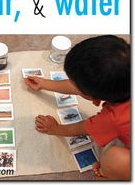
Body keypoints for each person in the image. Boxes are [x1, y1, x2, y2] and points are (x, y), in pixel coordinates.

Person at [24, 35, 130, 180]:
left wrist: (54, 129)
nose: (72, 83)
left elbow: (83, 128)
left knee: (114, 160)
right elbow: (85, 86)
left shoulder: (114, 118)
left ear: (94, 98)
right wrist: (45, 83)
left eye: (75, 83)